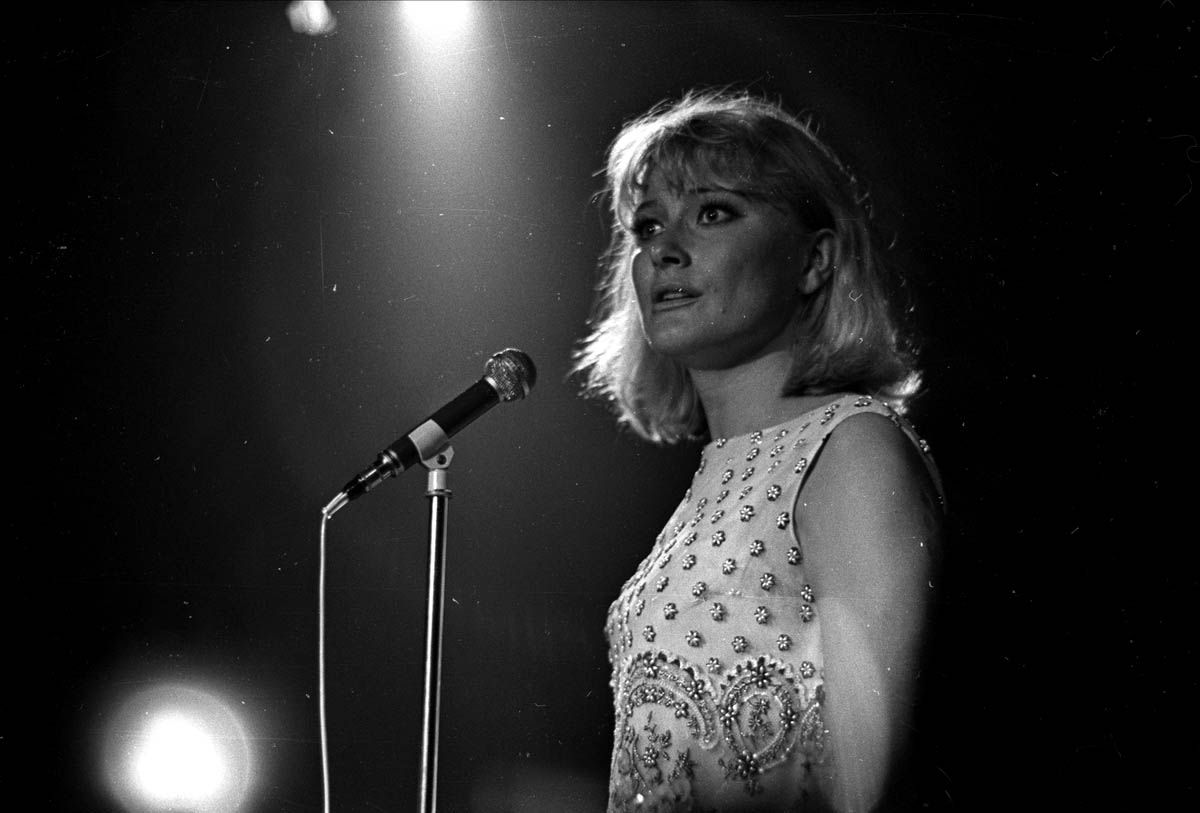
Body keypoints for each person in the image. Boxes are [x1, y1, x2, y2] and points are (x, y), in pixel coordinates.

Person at [574, 89, 946, 811]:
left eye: (713, 212)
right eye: (647, 226)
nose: (664, 248)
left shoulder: (851, 449)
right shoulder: (708, 490)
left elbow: (868, 792)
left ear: (814, 260)